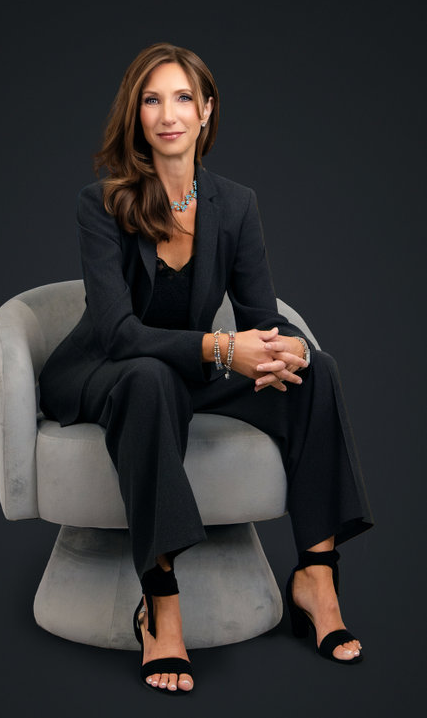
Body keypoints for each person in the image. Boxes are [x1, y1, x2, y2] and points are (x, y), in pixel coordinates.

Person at [38, 42, 373, 694]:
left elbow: (258, 311)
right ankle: (160, 602)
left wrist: (288, 348)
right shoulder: (101, 202)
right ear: (136, 115)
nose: (168, 113)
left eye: (183, 97)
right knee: (148, 377)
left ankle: (315, 578)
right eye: (151, 98)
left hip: (184, 372)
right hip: (106, 371)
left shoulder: (236, 204)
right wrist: (224, 349)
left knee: (319, 372)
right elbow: (118, 331)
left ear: (206, 111)